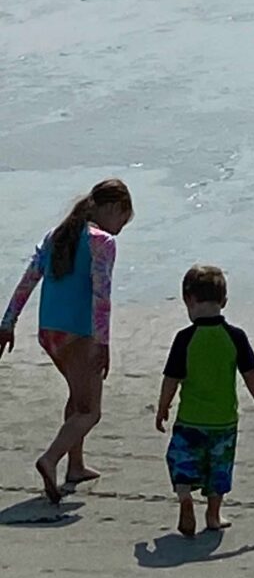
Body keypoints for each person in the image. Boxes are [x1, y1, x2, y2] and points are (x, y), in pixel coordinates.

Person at [0, 179, 133, 504]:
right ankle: (51, 459)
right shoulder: (101, 242)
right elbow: (102, 296)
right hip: (79, 333)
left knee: (77, 398)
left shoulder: (57, 235)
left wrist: (7, 323)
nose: (119, 230)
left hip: (49, 332)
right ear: (113, 208)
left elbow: (28, 279)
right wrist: (102, 343)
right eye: (122, 221)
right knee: (90, 411)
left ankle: (76, 465)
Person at [156, 264, 254, 537]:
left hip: (189, 420)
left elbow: (171, 378)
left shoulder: (184, 338)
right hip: (223, 421)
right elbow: (251, 375)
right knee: (218, 469)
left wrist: (163, 407)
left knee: (182, 462)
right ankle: (213, 514)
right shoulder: (235, 337)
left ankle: (185, 498)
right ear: (223, 301)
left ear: (188, 299)